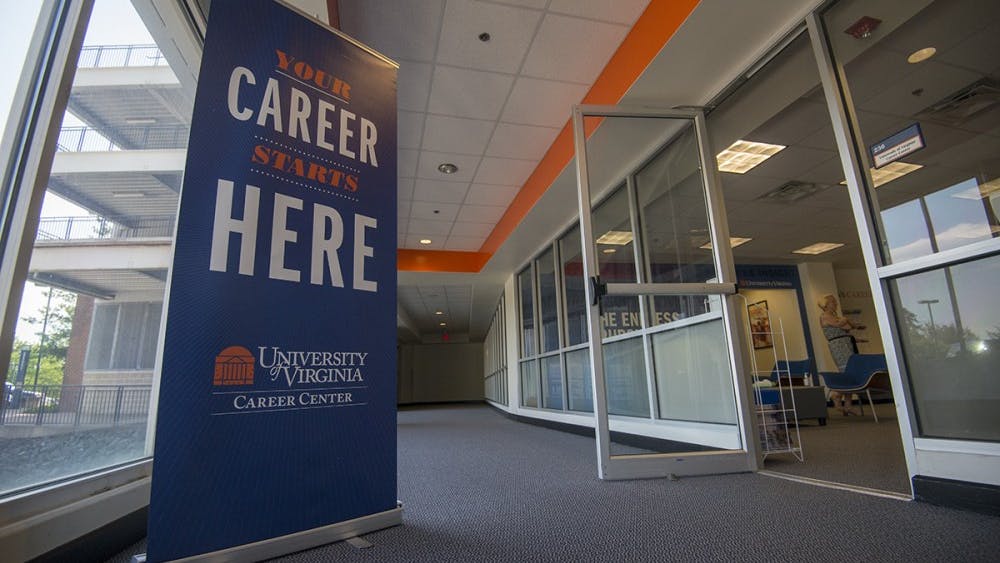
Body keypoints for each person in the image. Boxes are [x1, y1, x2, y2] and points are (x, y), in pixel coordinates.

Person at [819, 294, 865, 415]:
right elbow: (841, 324)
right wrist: (846, 320)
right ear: (826, 304)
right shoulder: (825, 316)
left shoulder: (835, 317)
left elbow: (847, 326)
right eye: (833, 302)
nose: (836, 304)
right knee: (846, 372)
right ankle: (837, 394)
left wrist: (846, 321)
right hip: (838, 346)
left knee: (850, 372)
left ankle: (847, 404)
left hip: (846, 344)